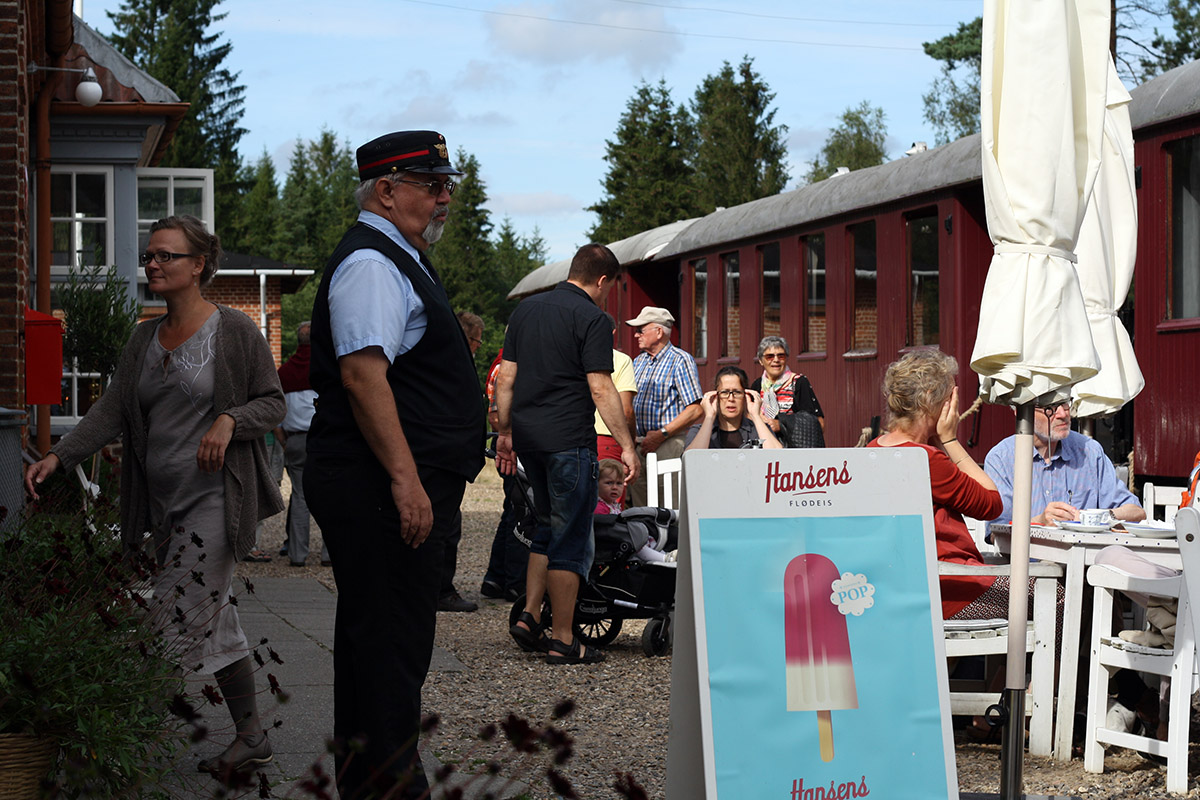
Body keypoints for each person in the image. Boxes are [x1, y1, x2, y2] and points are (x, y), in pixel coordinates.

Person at [25, 215, 285, 777]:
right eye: (149, 256)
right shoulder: (144, 337)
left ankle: (112, 747)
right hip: (163, 507)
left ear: (199, 265)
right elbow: (114, 409)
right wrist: (60, 456)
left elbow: (273, 403)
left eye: (166, 255)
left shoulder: (235, 332)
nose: (153, 264)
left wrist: (228, 419)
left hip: (216, 501)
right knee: (216, 621)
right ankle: (253, 738)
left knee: (167, 621)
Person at [304, 130, 485, 799]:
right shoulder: (374, 262)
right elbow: (361, 375)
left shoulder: (399, 255)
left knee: (381, 646)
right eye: (432, 185)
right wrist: (407, 482)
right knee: (386, 650)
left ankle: (370, 784)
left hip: (386, 483)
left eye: (446, 186)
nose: (444, 199)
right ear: (386, 190)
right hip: (378, 485)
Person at [495, 243, 638, 665]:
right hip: (568, 440)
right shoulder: (593, 317)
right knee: (572, 536)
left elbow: (506, 378)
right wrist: (627, 444)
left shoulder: (525, 312)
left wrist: (505, 430)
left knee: (545, 526)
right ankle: (562, 638)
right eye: (608, 288)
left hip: (529, 440)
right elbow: (600, 386)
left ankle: (528, 616)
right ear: (602, 280)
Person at [984, 399, 1146, 528]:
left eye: (1065, 403)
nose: (1062, 414)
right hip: (1031, 565)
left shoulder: (1089, 450)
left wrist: (1096, 517)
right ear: (1021, 412)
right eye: (1050, 408)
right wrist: (1039, 521)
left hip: (1087, 563)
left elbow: (1136, 512)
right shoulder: (1001, 459)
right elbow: (996, 531)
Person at [624, 307, 703, 506]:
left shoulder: (680, 360)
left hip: (667, 444)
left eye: (640, 330)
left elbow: (695, 409)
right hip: (640, 445)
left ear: (658, 332)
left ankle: (671, 539)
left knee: (669, 506)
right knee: (641, 509)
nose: (636, 335)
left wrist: (662, 434)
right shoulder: (638, 362)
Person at [436, 310, 487, 613]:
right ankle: (440, 589)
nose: (478, 348)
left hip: (449, 455)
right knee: (446, 526)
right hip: (446, 456)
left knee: (447, 525)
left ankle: (438, 587)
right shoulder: (452, 363)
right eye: (478, 343)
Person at [275, 320, 328, 568]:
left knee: (300, 496)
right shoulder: (326, 369)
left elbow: (272, 413)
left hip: (295, 440)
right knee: (332, 494)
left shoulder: (283, 373)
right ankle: (330, 555)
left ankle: (297, 555)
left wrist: (284, 441)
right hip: (324, 439)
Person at [685, 366, 783, 451]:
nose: (731, 399)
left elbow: (777, 457)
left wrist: (756, 416)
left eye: (737, 392)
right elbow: (691, 461)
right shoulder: (698, 431)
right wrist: (709, 417)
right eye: (724, 392)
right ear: (716, 396)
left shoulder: (757, 430)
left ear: (746, 396)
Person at [749, 335, 824, 434]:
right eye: (769, 357)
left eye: (781, 356)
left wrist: (782, 425)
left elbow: (819, 423)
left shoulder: (798, 382)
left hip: (792, 448)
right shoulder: (757, 385)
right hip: (765, 446)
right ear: (760, 361)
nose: (776, 360)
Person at [596, 313, 637, 463]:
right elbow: (626, 410)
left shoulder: (570, 357)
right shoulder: (621, 360)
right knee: (613, 486)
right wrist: (630, 443)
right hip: (609, 439)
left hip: (572, 438)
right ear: (612, 332)